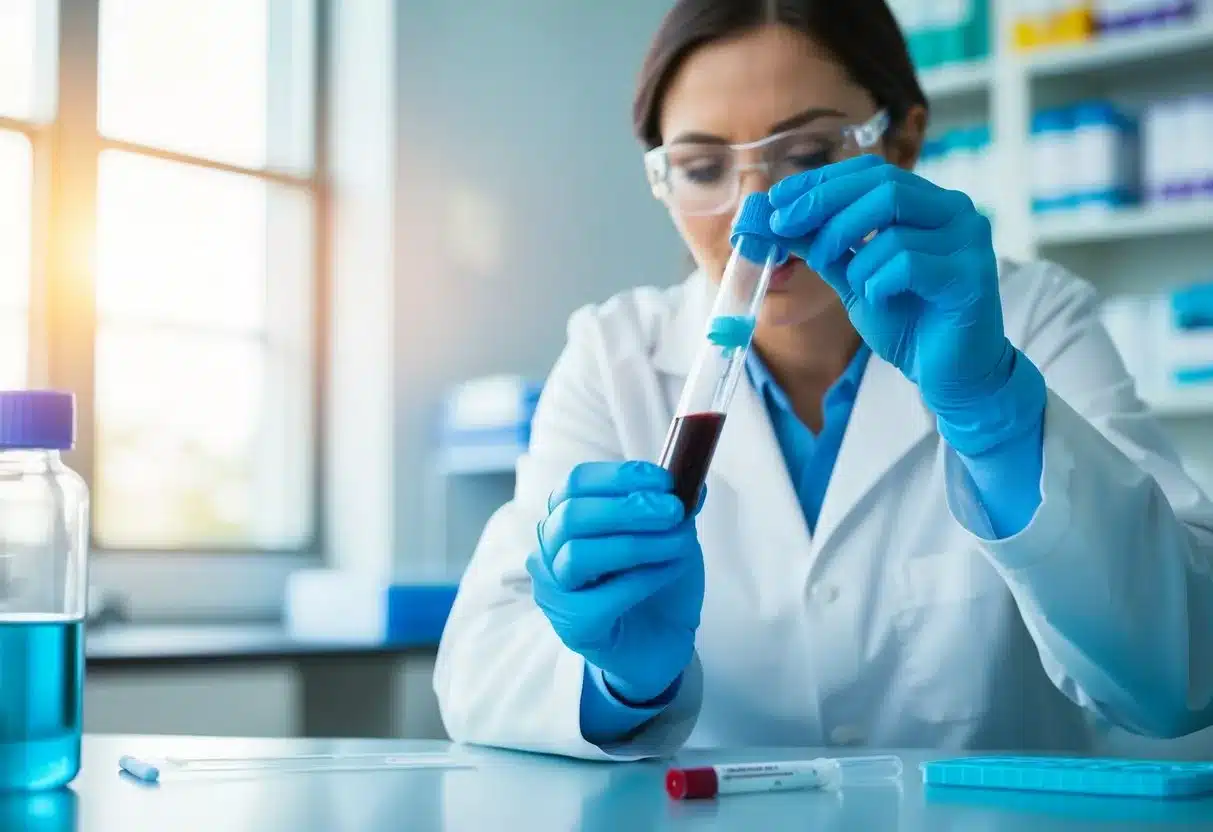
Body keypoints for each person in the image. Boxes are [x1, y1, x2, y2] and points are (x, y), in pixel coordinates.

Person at [433, 0, 1213, 760]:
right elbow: (481, 669)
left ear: (902, 140)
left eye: (805, 155)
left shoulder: (1031, 318)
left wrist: (994, 412)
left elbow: (1178, 673)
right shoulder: (614, 356)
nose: (753, 213)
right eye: (702, 168)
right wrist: (621, 680)